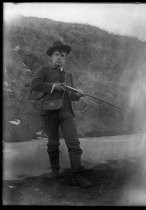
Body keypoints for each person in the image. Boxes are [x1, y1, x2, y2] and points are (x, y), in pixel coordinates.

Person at [31, 41, 92, 188]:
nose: (59, 58)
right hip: (48, 112)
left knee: (74, 144)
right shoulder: (44, 71)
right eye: (56, 55)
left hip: (66, 112)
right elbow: (34, 85)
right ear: (51, 57)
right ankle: (55, 173)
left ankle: (77, 175)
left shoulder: (68, 75)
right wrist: (53, 86)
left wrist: (78, 94)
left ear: (65, 58)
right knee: (53, 144)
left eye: (62, 55)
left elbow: (71, 95)